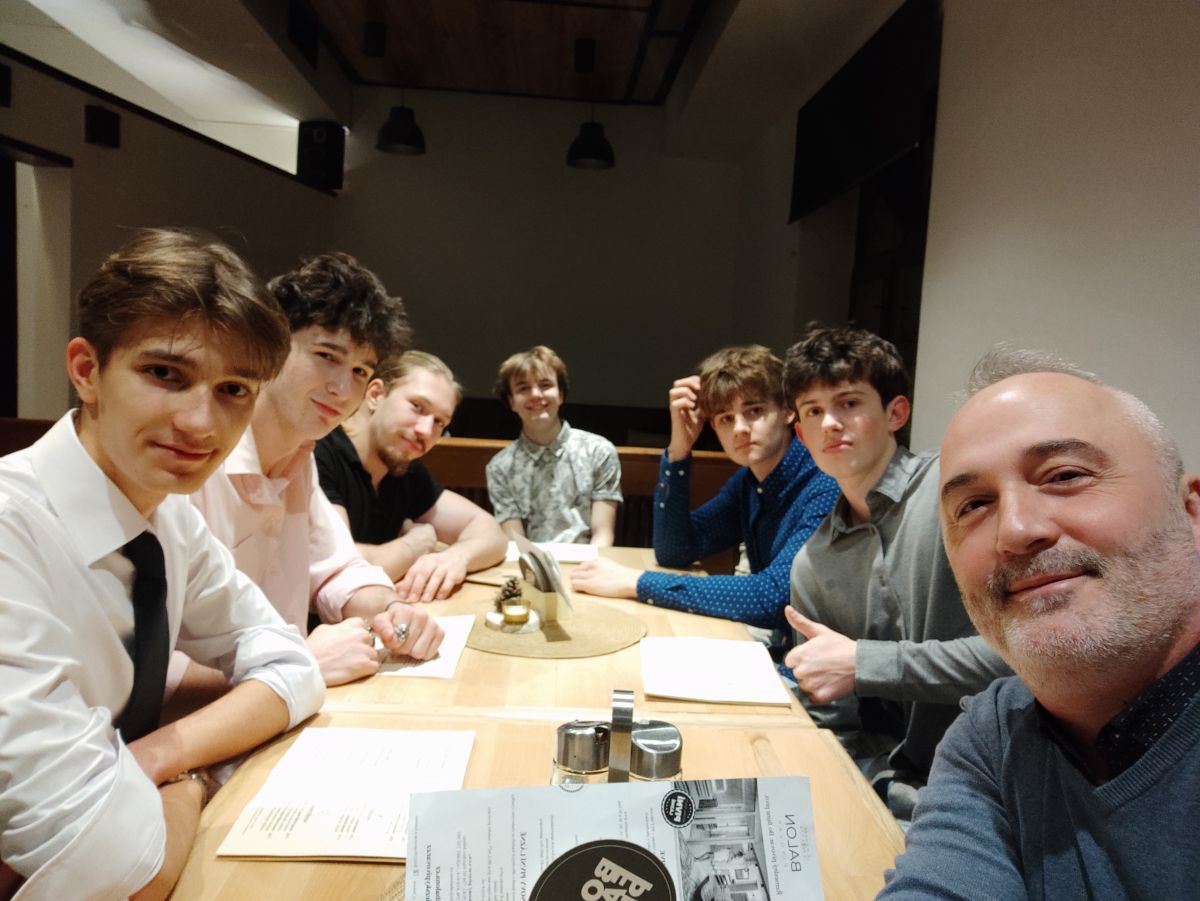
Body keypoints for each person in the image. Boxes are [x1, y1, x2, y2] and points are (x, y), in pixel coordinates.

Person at [0, 229, 326, 899]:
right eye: (165, 374)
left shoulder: (168, 520)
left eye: (234, 388)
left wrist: (158, 757)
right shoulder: (12, 533)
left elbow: (294, 666)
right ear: (86, 370)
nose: (202, 424)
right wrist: (193, 783)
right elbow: (113, 867)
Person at [880, 348, 1200, 898]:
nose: (1015, 530)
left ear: (1191, 513)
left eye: (1066, 475)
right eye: (973, 505)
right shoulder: (993, 735)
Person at [189, 253, 443, 688]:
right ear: (271, 346)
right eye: (326, 355)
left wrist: (391, 610)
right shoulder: (193, 459)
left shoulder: (299, 458)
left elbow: (338, 570)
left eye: (359, 370)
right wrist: (297, 665)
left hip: (283, 712)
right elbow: (152, 671)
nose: (342, 389)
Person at [781, 325, 1008, 799]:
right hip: (898, 788)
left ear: (895, 413)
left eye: (848, 403)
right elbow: (832, 722)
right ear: (800, 434)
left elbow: (1026, 657)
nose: (830, 423)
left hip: (1010, 775)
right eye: (813, 411)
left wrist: (864, 662)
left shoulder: (954, 491)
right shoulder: (812, 563)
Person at [571, 345, 839, 636]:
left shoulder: (824, 482)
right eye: (726, 418)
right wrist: (679, 450)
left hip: (813, 655)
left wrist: (636, 582)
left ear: (787, 411)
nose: (740, 428)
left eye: (754, 411)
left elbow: (772, 597)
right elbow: (675, 550)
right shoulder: (748, 482)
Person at [315, 351, 507, 601]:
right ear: (375, 395)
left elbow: (491, 532)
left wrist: (455, 557)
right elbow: (339, 569)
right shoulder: (319, 454)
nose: (426, 430)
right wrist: (416, 544)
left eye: (439, 422)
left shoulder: (405, 470)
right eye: (417, 407)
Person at [486, 345, 622, 545]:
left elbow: (603, 534)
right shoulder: (499, 467)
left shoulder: (599, 451)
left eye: (545, 385)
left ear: (561, 395)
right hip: (530, 562)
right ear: (512, 402)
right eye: (523, 388)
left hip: (589, 560)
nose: (535, 394)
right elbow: (516, 542)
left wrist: (589, 565)